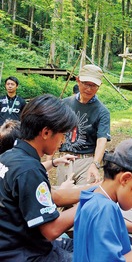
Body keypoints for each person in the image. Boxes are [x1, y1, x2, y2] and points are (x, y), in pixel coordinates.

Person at [0, 94, 90, 261]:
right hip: (25, 254)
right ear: (46, 132)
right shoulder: (29, 170)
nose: (63, 141)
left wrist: (95, 189)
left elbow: (50, 197)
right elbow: (51, 230)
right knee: (97, 255)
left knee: (87, 245)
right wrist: (89, 202)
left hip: (14, 245)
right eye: (62, 134)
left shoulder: (9, 157)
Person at [57, 64, 111, 186]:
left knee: (82, 200)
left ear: (99, 86)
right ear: (78, 80)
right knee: (62, 198)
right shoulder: (65, 104)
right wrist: (50, 161)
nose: (89, 89)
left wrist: (95, 164)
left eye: (93, 86)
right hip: (64, 159)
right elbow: (56, 131)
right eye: (86, 83)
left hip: (86, 160)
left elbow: (102, 140)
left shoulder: (102, 111)